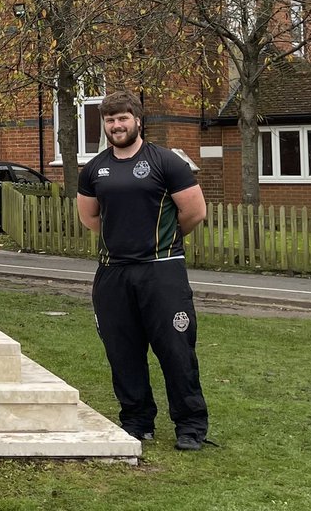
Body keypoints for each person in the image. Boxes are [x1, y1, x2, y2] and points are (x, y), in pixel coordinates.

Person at [76, 90, 209, 451]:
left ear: (137, 120)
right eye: (109, 120)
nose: (116, 126)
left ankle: (190, 426)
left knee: (176, 350)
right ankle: (136, 421)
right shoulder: (94, 169)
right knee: (122, 351)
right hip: (113, 273)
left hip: (161, 271)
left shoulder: (167, 162)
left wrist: (163, 240)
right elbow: (90, 217)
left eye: (122, 118)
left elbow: (195, 212)